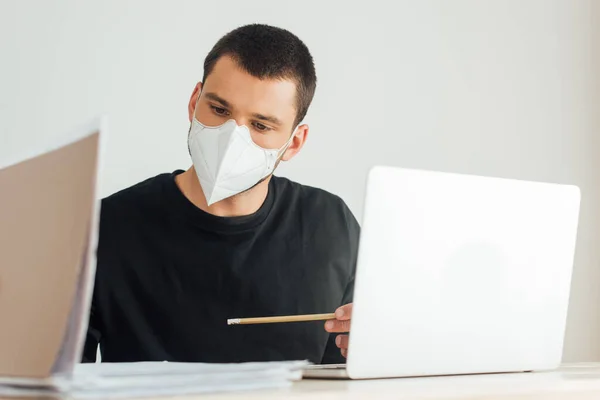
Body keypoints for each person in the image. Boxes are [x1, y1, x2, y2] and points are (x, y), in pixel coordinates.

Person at [83, 24, 359, 365]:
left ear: (295, 142)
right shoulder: (104, 229)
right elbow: (45, 381)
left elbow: (346, 374)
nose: (231, 139)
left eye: (260, 126)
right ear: (194, 102)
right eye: (219, 110)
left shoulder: (330, 225)